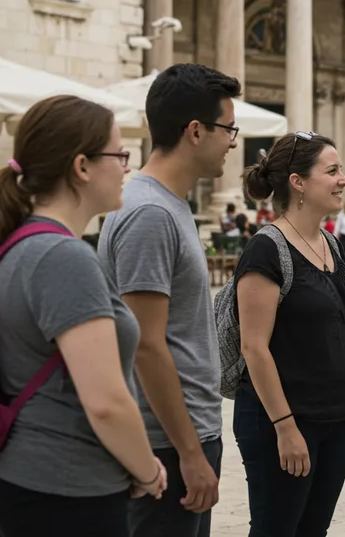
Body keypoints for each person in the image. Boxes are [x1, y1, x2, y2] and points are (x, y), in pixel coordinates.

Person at [0, 95, 167, 536]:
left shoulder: (18, 241)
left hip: (27, 475)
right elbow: (105, 402)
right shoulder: (63, 257)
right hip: (65, 486)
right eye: (119, 155)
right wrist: (147, 470)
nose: (127, 168)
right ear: (82, 166)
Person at [98, 63, 241, 537]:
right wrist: (190, 452)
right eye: (228, 129)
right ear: (196, 131)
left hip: (183, 433)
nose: (233, 142)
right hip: (166, 442)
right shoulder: (151, 214)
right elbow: (145, 344)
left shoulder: (165, 205)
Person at [233, 131, 345, 536]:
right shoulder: (266, 250)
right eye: (332, 170)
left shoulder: (330, 244)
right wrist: (285, 427)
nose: (343, 179)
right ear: (298, 182)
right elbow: (254, 347)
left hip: (335, 420)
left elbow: (341, 331)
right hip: (284, 422)